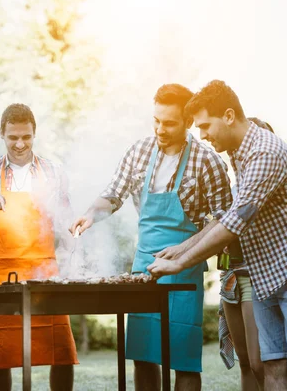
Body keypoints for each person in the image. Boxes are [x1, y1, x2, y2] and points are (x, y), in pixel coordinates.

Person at [148, 80, 287, 391]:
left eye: (206, 126)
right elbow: (227, 215)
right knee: (272, 366)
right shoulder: (238, 152)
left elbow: (234, 223)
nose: (203, 135)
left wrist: (180, 265)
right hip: (266, 273)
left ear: (229, 115)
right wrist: (181, 249)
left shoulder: (265, 151)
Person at [70, 84, 233, 391]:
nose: (160, 128)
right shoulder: (139, 152)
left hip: (185, 267)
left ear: (187, 122)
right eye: (156, 120)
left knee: (183, 359)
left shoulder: (207, 161)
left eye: (169, 123)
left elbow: (223, 220)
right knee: (144, 355)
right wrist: (91, 213)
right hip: (144, 267)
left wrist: (188, 253)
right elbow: (113, 194)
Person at [0, 103, 78, 391]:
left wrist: (76, 260)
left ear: (35, 133)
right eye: (13, 137)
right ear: (2, 134)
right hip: (3, 274)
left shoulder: (53, 172)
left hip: (46, 273)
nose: (20, 144)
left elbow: (66, 223)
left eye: (26, 136)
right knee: (4, 354)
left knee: (61, 349)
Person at [217, 117, 273, 391]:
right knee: (245, 362)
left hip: (255, 277)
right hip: (231, 278)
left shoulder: (267, 180)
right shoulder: (234, 188)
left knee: (260, 362)